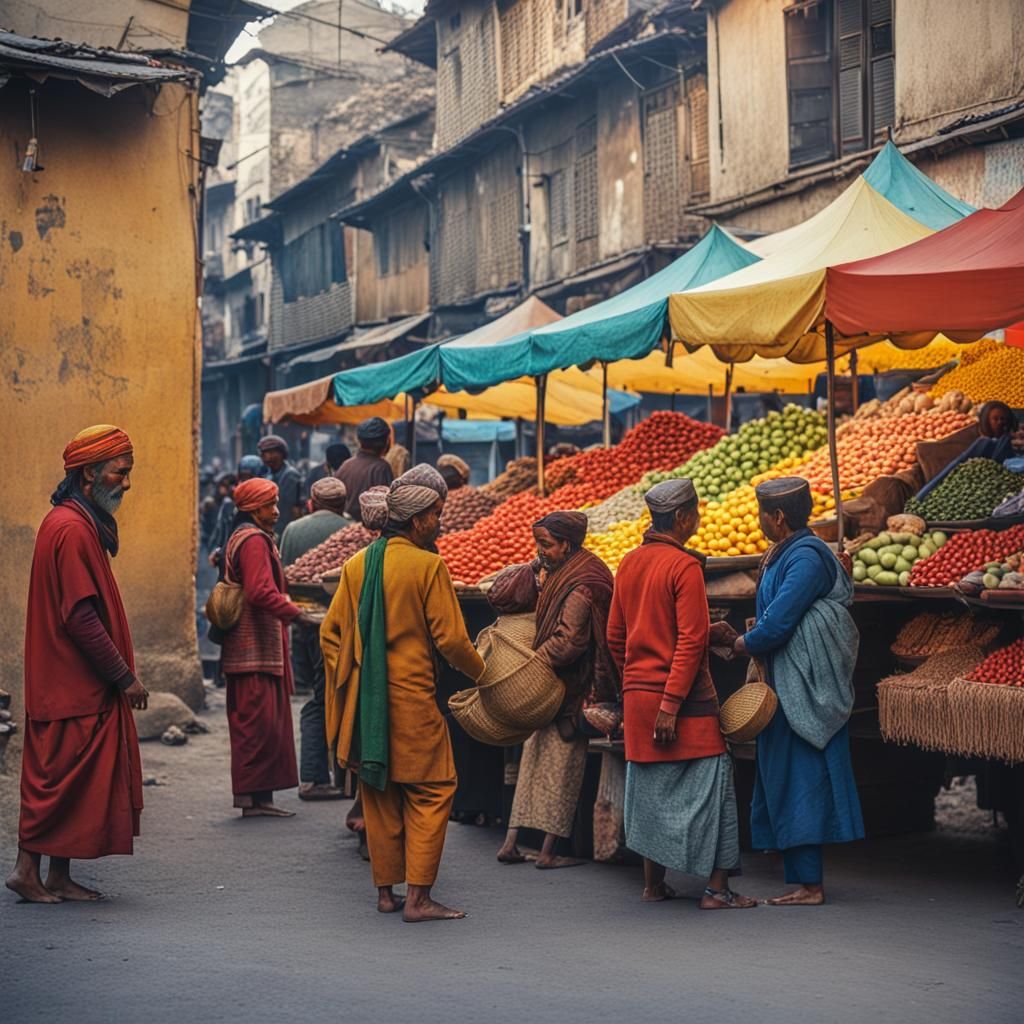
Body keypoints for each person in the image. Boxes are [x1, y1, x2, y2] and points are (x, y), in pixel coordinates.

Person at [321, 465, 485, 922]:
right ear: (416, 521)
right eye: (435, 515)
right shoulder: (428, 566)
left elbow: (331, 635)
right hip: (413, 701)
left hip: (369, 704)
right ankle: (418, 898)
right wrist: (485, 674)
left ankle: (385, 894)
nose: (439, 522)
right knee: (434, 788)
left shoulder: (357, 565)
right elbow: (452, 640)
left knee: (380, 792)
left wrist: (358, 677)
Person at [7, 425, 148, 904]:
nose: (126, 483)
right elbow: (81, 617)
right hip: (70, 686)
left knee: (72, 783)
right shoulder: (69, 529)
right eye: (119, 472)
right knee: (56, 784)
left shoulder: (77, 523)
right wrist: (124, 678)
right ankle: (26, 871)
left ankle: (58, 877)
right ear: (88, 473)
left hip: (77, 687)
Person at [608, 479, 756, 909]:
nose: (699, 518)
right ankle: (717, 890)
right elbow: (689, 641)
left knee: (649, 791)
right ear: (683, 517)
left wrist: (635, 683)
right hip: (683, 699)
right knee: (716, 781)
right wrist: (670, 703)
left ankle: (653, 885)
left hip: (638, 695)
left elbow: (616, 635)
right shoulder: (685, 566)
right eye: (696, 512)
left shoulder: (629, 562)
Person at [733, 477, 864, 906]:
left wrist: (742, 643)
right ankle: (801, 877)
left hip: (802, 686)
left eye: (761, 514)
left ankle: (810, 885)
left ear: (778, 517)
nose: (758, 520)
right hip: (784, 680)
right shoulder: (785, 551)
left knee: (802, 779)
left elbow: (780, 621)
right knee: (784, 775)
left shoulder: (806, 557)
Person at [490, 511, 617, 870]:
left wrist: (532, 667)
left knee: (553, 763)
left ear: (567, 544)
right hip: (554, 684)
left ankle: (528, 845)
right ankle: (534, 849)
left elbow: (569, 642)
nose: (540, 550)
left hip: (571, 685)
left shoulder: (585, 581)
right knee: (547, 762)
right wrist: (534, 565)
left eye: (546, 544)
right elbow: (504, 597)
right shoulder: (558, 571)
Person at [220, 478, 318, 817]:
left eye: (275, 504)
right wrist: (298, 615)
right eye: (269, 505)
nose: (276, 511)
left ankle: (256, 799)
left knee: (256, 724)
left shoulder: (243, 536)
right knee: (258, 726)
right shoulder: (253, 541)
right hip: (255, 648)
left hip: (249, 649)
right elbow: (260, 591)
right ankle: (255, 801)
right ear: (252, 508)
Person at [279, 477, 353, 801]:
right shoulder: (353, 529)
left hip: (305, 623)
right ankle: (316, 777)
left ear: (312, 502)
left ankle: (325, 774)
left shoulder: (293, 530)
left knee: (316, 694)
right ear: (343, 504)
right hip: (343, 626)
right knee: (334, 699)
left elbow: (284, 575)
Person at [914, 400, 1024, 501]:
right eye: (995, 419)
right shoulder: (983, 443)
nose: (1000, 422)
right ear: (986, 421)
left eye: (1003, 419)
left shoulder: (1008, 439)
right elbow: (957, 465)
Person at [279, 477, 352, 568]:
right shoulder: (354, 531)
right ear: (344, 505)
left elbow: (284, 568)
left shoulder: (292, 529)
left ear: (310, 505)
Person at [336, 417, 394, 523]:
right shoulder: (381, 467)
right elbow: (386, 508)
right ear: (386, 441)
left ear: (359, 441)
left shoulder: (346, 465)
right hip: (368, 529)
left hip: (346, 527)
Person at [208, 455, 262, 568]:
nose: (244, 482)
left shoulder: (265, 505)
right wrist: (217, 552)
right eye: (242, 478)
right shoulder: (229, 505)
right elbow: (219, 535)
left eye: (249, 478)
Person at [258, 435, 304, 531]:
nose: (268, 457)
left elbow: (288, 509)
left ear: (282, 454)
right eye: (264, 454)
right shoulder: (268, 476)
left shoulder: (290, 475)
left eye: (272, 453)